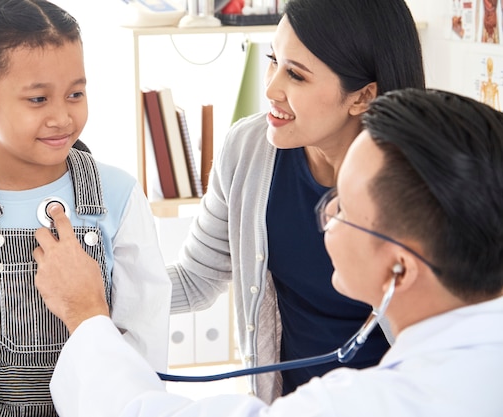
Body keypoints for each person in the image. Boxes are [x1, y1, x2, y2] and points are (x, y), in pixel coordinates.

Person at [34, 87, 503, 417]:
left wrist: (85, 314)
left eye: (343, 208)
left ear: (399, 268)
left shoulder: (371, 404)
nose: (327, 216)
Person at [0, 1, 171, 416]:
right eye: (38, 99)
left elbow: (143, 344)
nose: (62, 117)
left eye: (76, 93)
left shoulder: (119, 196)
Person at [166, 0, 425, 401]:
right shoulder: (247, 149)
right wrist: (94, 297)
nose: (270, 88)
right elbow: (194, 280)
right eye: (273, 59)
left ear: (361, 97)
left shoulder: (427, 183)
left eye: (296, 75)